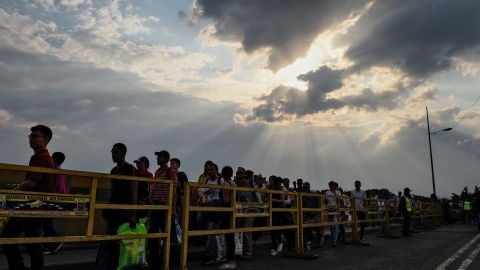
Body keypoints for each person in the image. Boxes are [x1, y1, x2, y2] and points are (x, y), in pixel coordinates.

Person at [1, 125, 54, 270]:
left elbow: (31, 182)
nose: (31, 139)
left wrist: (14, 191)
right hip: (31, 205)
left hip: (33, 205)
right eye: (30, 136)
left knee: (14, 237)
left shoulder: (42, 158)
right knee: (30, 240)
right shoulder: (38, 157)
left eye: (35, 136)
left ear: (46, 139)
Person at [96, 143, 137, 270]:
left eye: (115, 152)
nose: (113, 155)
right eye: (112, 152)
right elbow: (112, 191)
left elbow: (134, 189)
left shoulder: (130, 169)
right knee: (109, 241)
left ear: (122, 154)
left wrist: (133, 212)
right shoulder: (113, 171)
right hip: (114, 210)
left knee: (122, 243)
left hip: (125, 211)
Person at [148, 150, 177, 269]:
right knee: (153, 234)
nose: (157, 158)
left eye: (159, 156)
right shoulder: (157, 171)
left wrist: (173, 209)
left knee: (167, 235)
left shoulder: (170, 171)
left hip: (165, 206)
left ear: (165, 158)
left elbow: (174, 190)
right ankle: (155, 261)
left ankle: (166, 260)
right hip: (156, 206)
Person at [198, 163, 225, 265]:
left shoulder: (220, 181)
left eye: (212, 169)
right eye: (208, 170)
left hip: (218, 211)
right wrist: (202, 197)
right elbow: (200, 190)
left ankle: (212, 256)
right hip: (208, 210)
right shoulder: (206, 181)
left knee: (214, 234)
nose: (209, 171)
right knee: (212, 233)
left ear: (217, 171)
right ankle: (217, 256)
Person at [42, 152, 68, 254]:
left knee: (45, 222)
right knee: (47, 222)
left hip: (52, 200)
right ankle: (48, 246)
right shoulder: (59, 172)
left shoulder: (56, 172)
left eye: (52, 158)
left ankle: (56, 238)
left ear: (55, 160)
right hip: (52, 200)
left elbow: (61, 188)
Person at [218, 166, 237, 270]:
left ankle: (231, 261)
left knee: (229, 236)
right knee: (231, 236)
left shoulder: (225, 183)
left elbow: (225, 200)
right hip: (233, 211)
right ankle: (231, 259)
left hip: (227, 211)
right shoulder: (234, 183)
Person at [133, 156, 153, 220]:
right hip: (135, 200)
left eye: (140, 163)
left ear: (146, 165)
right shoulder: (134, 173)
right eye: (137, 163)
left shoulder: (149, 175)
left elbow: (150, 189)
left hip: (145, 201)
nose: (137, 165)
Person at [325, 181, 340, 247]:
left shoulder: (338, 192)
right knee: (331, 226)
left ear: (335, 186)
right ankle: (334, 240)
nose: (331, 186)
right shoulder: (327, 192)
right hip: (329, 210)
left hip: (336, 210)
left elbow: (340, 199)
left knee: (335, 226)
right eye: (330, 185)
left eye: (332, 185)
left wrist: (334, 193)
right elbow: (325, 200)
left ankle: (335, 241)